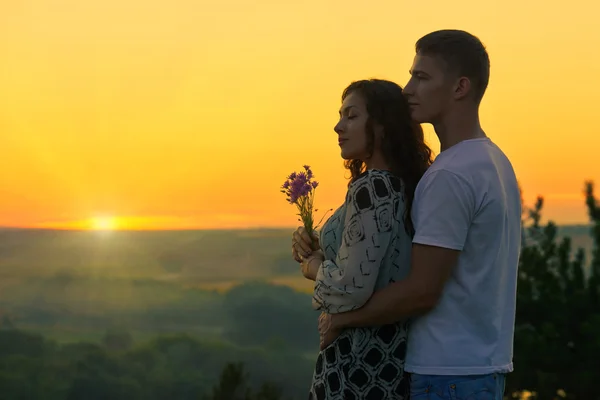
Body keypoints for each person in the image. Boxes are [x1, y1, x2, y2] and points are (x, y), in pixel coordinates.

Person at [295, 30, 522, 399]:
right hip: (481, 366)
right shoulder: (494, 161)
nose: (407, 89)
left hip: (445, 373)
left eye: (422, 77)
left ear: (460, 87)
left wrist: (341, 319)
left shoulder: (450, 174)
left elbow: (421, 292)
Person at [291, 78, 433, 399]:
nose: (338, 126)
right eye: (341, 115)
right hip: (389, 362)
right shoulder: (404, 185)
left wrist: (313, 267)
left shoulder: (372, 188)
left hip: (356, 365)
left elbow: (349, 287)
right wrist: (316, 246)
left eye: (351, 116)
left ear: (382, 126)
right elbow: (371, 263)